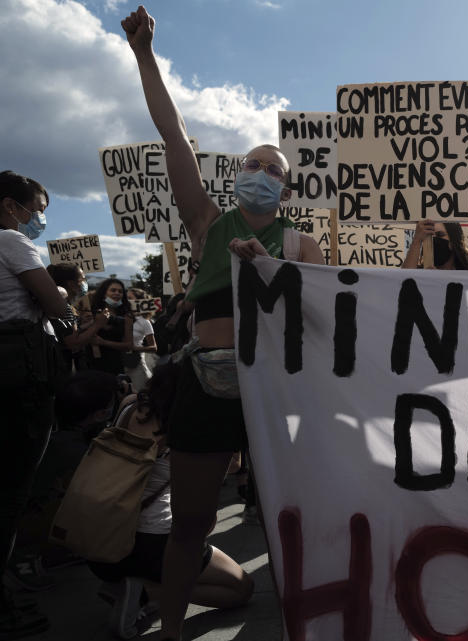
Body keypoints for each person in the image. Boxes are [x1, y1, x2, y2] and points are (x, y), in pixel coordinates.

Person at [122, 7, 324, 639]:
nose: (260, 172)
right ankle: (175, 627)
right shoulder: (209, 225)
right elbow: (172, 132)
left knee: (294, 518)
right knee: (192, 524)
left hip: (277, 393)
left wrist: (269, 268)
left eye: (274, 170)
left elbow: (324, 321)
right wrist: (144, 55)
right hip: (207, 387)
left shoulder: (303, 245)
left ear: (285, 190)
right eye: (254, 163)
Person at [87, 364, 253, 639]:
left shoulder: (131, 405)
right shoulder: (192, 426)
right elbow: (232, 467)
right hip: (155, 542)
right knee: (241, 589)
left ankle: (135, 586)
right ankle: (148, 591)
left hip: (105, 535)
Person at [0, 170, 71, 638]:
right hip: (18, 380)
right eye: (38, 208)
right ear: (12, 207)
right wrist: (61, 293)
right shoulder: (11, 240)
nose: (40, 218)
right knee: (12, 491)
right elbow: (54, 303)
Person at [47, 263, 108, 371]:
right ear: (71, 284)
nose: (85, 283)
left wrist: (84, 324)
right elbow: (73, 342)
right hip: (62, 366)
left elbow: (66, 333)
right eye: (82, 279)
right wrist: (98, 325)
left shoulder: (57, 303)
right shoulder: (64, 307)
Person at [88, 279, 134, 376]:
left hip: (115, 365)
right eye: (113, 290)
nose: (117, 293)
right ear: (104, 293)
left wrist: (103, 342)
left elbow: (129, 346)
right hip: (91, 364)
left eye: (120, 291)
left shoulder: (127, 317)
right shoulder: (91, 313)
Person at [401, 220, 468, 270]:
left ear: (454, 240)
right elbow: (404, 280)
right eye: (429, 236)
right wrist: (417, 240)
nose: (434, 240)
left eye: (440, 235)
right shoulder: (422, 272)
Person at [124, 287, 157, 391]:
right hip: (121, 363)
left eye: (130, 298)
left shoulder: (144, 322)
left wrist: (134, 348)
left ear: (139, 301)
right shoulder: (121, 318)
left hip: (137, 365)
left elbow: (153, 347)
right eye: (126, 298)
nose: (126, 300)